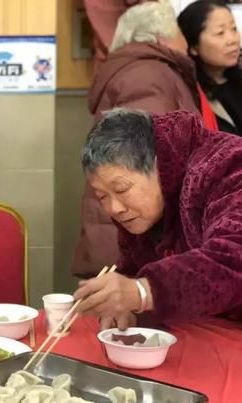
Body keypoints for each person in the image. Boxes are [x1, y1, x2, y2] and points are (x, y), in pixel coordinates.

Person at [73, 109, 242, 331]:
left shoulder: (231, 165)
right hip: (227, 327)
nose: (114, 208)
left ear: (158, 165)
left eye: (121, 188)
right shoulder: (143, 209)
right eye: (102, 195)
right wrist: (125, 302)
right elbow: (136, 267)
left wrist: (144, 291)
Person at [74, 0, 203, 278]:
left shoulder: (141, 71)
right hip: (138, 234)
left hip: (131, 227)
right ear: (160, 37)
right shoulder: (148, 75)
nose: (188, 45)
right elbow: (143, 163)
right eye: (179, 32)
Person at [178, 0, 242, 152]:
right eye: (220, 33)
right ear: (193, 47)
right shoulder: (187, 93)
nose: (233, 40)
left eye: (234, 29)